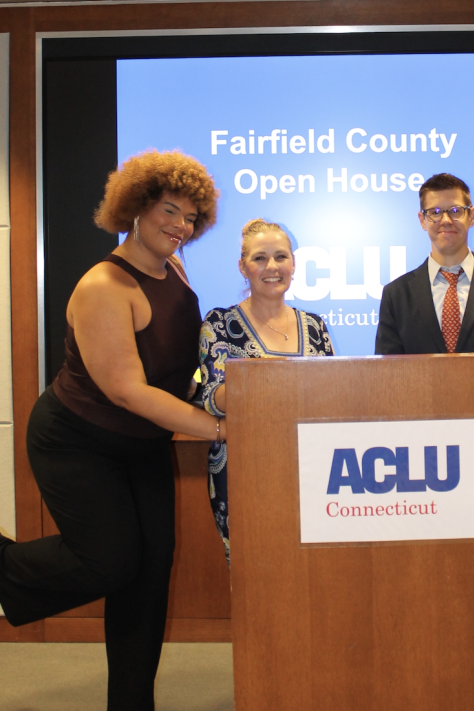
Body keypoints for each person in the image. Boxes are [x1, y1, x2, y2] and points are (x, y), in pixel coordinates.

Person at [0, 150, 224, 711]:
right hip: (76, 439)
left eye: (191, 218)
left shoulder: (172, 269)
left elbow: (173, 368)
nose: (180, 226)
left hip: (140, 444)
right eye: (169, 211)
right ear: (135, 208)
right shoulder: (103, 285)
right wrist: (218, 429)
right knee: (110, 562)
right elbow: (129, 390)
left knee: (148, 577)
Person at [200, 218, 334, 564]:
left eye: (280, 257)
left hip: (314, 471)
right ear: (242, 266)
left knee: (313, 575)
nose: (271, 267)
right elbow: (213, 399)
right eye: (259, 258)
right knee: (254, 579)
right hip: (246, 473)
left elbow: (333, 398)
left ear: (293, 263)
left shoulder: (315, 326)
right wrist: (275, 382)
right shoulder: (219, 324)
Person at [375, 172, 474, 354]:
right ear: (422, 220)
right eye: (435, 212)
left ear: (472, 216)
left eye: (455, 211)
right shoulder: (396, 296)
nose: (445, 220)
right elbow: (387, 376)